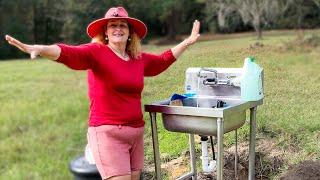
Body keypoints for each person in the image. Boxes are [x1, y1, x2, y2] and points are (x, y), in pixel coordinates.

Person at [5, 6, 200, 180]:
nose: (118, 29)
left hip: (136, 134)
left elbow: (161, 61)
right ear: (105, 32)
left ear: (130, 32)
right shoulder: (96, 52)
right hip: (108, 134)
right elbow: (70, 53)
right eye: (112, 25)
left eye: (123, 25)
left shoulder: (137, 58)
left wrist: (187, 42)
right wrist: (40, 49)